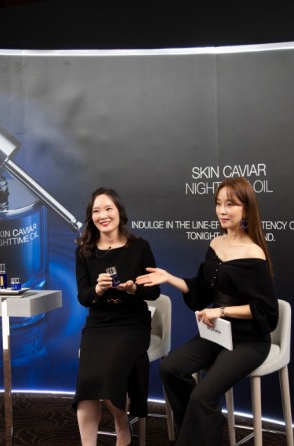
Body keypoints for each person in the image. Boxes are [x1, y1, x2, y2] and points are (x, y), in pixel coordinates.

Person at [135, 176, 279, 445]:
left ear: (246, 209)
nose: (222, 210)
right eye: (218, 203)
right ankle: (204, 427)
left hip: (249, 340)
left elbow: (267, 311)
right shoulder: (216, 243)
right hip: (218, 334)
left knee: (203, 396)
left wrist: (221, 311)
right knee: (171, 369)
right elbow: (201, 289)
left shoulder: (254, 253)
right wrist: (170, 278)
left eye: (230, 204)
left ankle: (196, 434)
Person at [73, 187, 161, 446]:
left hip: (132, 323)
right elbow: (83, 297)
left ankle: (122, 425)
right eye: (96, 211)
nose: (103, 215)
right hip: (99, 324)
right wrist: (98, 290)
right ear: (90, 217)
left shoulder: (140, 247)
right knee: (87, 385)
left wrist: (134, 289)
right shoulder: (84, 251)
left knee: (109, 373)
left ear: (119, 212)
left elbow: (154, 291)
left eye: (108, 209)